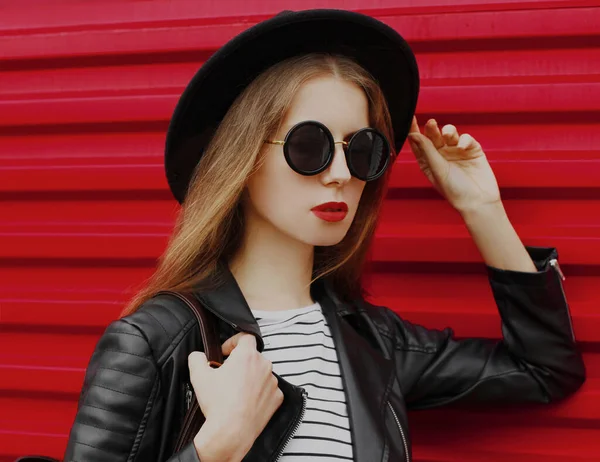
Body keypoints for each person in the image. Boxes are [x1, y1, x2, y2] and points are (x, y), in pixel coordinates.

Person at [61, 9, 585, 462]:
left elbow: (543, 370)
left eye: (361, 151)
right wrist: (217, 447)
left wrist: (482, 208)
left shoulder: (374, 343)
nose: (340, 173)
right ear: (242, 161)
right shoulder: (156, 342)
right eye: (310, 147)